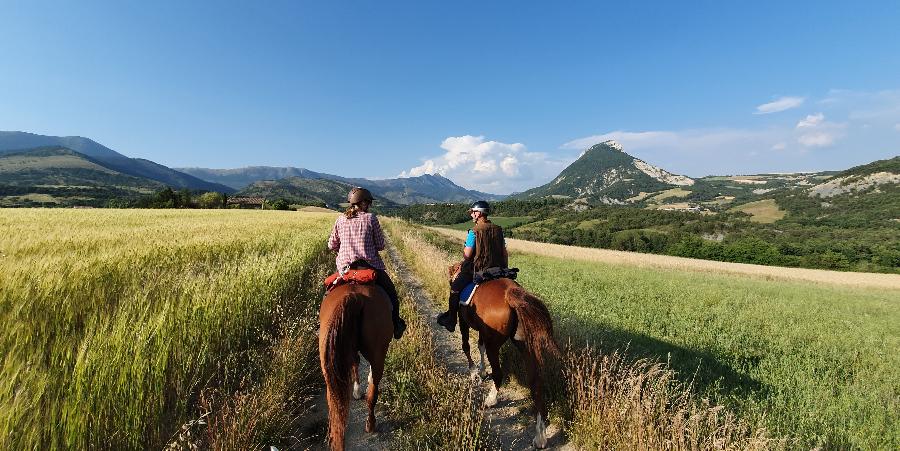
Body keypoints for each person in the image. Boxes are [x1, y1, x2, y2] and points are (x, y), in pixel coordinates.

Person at [328, 187, 406, 339]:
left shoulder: (340, 219)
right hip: (369, 267)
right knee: (391, 294)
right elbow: (381, 245)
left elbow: (331, 245)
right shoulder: (371, 218)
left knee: (329, 294)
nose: (369, 205)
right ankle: (396, 324)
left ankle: (322, 325)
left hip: (346, 269)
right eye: (368, 202)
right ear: (363, 203)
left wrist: (342, 251)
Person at [436, 200, 508, 332]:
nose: (471, 215)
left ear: (479, 214)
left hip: (478, 269)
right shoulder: (499, 230)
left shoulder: (473, 232)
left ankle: (451, 320)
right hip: (498, 270)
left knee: (455, 288)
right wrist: (503, 269)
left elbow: (467, 255)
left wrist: (465, 249)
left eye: (473, 212)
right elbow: (504, 253)